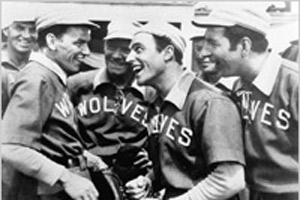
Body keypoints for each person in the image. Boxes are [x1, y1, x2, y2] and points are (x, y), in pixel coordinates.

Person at [125, 21, 245, 200]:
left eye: (138, 49)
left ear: (167, 53)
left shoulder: (209, 102)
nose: (129, 58)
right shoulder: (157, 101)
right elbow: (179, 166)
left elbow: (229, 180)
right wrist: (149, 180)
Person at [192, 5, 298, 200]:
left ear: (244, 46)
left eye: (213, 44)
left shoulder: (294, 84)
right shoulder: (238, 86)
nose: (203, 53)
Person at [2, 10, 106, 200]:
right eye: (79, 43)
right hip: (46, 192)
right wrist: (67, 178)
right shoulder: (37, 78)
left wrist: (84, 156)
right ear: (51, 42)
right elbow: (10, 147)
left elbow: (51, 137)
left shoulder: (52, 77)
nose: (87, 52)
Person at [67, 19, 155, 199]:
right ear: (104, 46)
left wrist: (149, 177)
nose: (116, 55)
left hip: (134, 181)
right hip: (89, 178)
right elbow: (60, 133)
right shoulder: (78, 84)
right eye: (112, 46)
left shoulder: (151, 90)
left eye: (125, 48)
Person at [1, 12, 37, 115]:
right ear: (6, 30)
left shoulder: (41, 65)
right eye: (19, 28)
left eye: (32, 30)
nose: (27, 35)